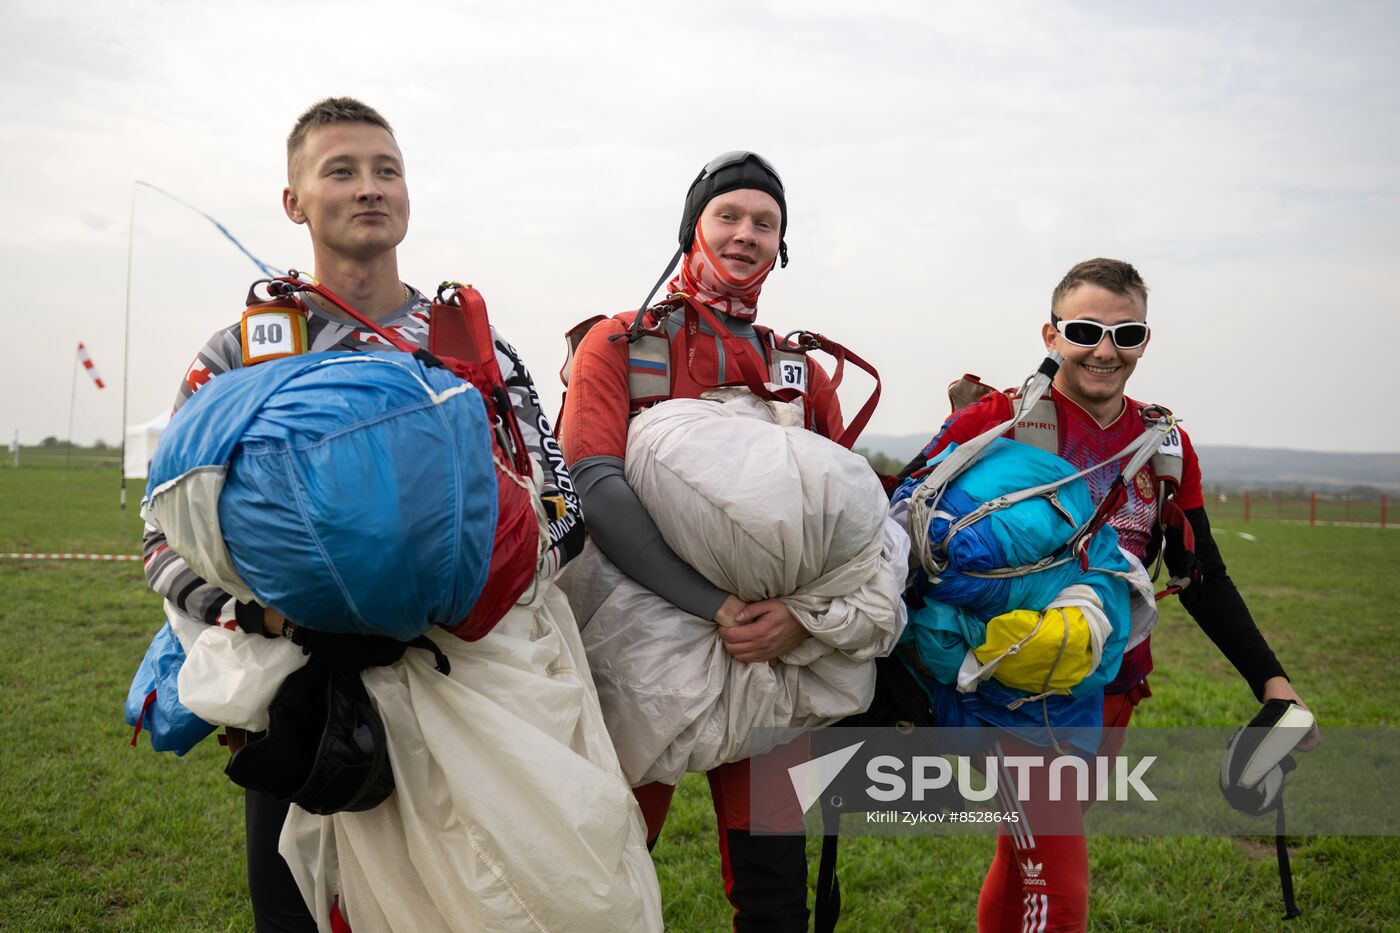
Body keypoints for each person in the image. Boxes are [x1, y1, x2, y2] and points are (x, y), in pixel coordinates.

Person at [142, 97, 597, 932]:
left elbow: (562, 506)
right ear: (294, 202)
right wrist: (269, 616)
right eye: (341, 171)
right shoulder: (241, 352)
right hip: (302, 709)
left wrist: (472, 597)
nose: (369, 188)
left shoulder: (471, 344)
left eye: (387, 170)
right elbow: (162, 533)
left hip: (472, 689)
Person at [901, 257, 1319, 932]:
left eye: (1125, 334)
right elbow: (905, 524)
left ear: (1145, 341)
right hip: (1022, 688)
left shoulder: (1164, 444)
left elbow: (1201, 573)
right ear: (1051, 333)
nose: (1104, 349)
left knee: (1029, 856)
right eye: (1087, 329)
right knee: (1060, 893)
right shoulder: (1001, 418)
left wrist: (1272, 681)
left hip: (1118, 678)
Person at [559, 152, 846, 932]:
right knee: (602, 875)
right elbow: (593, 485)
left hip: (772, 655)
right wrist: (713, 603)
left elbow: (846, 530)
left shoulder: (801, 372)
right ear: (693, 227)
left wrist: (801, 616)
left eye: (765, 223)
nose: (746, 234)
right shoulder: (620, 344)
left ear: (781, 245)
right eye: (729, 216)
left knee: (774, 891)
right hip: (636, 654)